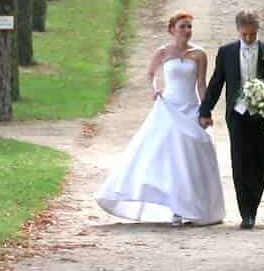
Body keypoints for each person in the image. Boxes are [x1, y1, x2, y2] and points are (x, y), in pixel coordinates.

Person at [96, 11, 227, 226]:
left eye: (189, 27)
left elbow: (201, 84)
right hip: (169, 107)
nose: (187, 30)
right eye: (183, 26)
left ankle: (194, 206)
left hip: (191, 108)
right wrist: (155, 89)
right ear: (172, 29)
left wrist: (205, 111)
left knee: (192, 156)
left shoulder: (199, 54)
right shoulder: (163, 52)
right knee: (170, 157)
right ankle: (175, 207)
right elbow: (150, 74)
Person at [201, 8, 264, 229]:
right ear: (238, 31)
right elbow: (216, 83)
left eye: (252, 34)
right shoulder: (227, 52)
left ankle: (254, 206)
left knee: (261, 160)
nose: (248, 39)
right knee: (240, 161)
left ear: (258, 29)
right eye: (244, 35)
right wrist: (205, 110)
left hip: (263, 114)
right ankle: (246, 213)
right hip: (237, 115)